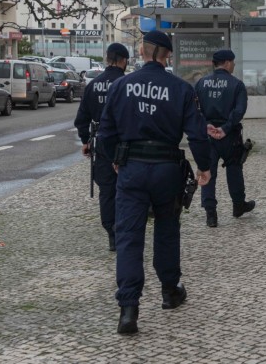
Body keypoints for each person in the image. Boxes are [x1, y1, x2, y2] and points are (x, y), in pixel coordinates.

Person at [97, 30, 212, 334]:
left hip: (132, 169)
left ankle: (128, 309)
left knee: (128, 236)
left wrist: (116, 159)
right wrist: (204, 167)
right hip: (166, 169)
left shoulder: (121, 86)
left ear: (142, 51)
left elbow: (105, 133)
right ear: (168, 55)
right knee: (167, 231)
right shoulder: (181, 89)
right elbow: (197, 134)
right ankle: (170, 291)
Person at [73, 43, 129, 251]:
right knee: (127, 188)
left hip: (102, 144)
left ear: (107, 59)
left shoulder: (93, 85)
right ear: (124, 61)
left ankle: (111, 232)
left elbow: (81, 119)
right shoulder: (127, 84)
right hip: (125, 143)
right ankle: (125, 229)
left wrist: (86, 141)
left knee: (106, 190)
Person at [194, 49, 255, 228]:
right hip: (230, 135)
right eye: (233, 62)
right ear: (227, 63)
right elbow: (239, 110)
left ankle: (211, 214)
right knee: (234, 169)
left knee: (208, 172)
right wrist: (225, 128)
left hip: (207, 135)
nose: (234, 65)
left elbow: (195, 109)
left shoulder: (201, 83)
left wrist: (207, 125)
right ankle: (238, 205)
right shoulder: (236, 84)